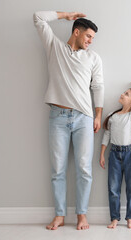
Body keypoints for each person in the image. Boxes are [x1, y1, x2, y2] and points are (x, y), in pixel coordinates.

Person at [33, 11, 104, 230]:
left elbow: (98, 86)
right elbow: (38, 17)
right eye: (88, 36)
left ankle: (82, 215)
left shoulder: (93, 58)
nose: (91, 41)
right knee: (58, 170)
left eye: (93, 38)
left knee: (84, 169)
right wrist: (65, 15)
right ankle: (60, 215)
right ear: (76, 31)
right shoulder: (54, 47)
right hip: (57, 117)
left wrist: (98, 115)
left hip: (84, 118)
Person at [100, 81, 131, 229]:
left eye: (127, 94)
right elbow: (106, 135)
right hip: (114, 154)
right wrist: (102, 154)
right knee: (113, 187)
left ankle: (130, 218)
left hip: (130, 154)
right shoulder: (112, 116)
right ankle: (114, 218)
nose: (122, 94)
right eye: (124, 92)